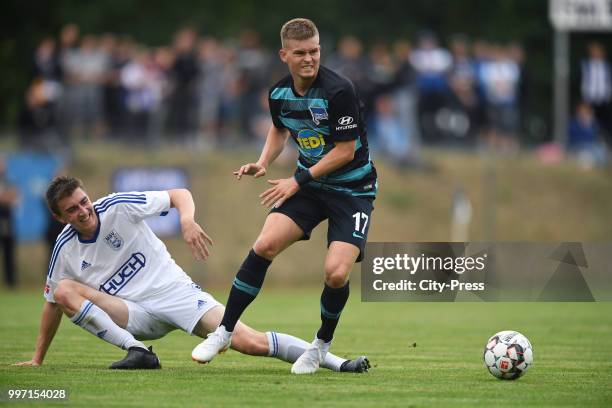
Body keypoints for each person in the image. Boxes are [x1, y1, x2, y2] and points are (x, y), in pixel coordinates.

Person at [14, 176, 369, 372]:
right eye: (72, 210)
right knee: (63, 291)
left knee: (247, 341)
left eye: (83, 201)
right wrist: (37, 359)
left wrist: (186, 220)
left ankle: (336, 363)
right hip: (131, 315)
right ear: (60, 218)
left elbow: (180, 193)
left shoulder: (117, 206)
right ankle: (138, 352)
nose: (83, 210)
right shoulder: (64, 248)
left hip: (175, 294)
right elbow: (51, 304)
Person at [192, 18, 377, 375]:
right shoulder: (278, 93)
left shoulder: (339, 90)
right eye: (301, 53)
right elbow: (280, 129)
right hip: (311, 187)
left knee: (336, 274)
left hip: (353, 190)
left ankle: (320, 347)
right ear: (284, 55)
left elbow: (345, 150)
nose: (310, 59)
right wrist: (262, 162)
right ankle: (225, 331)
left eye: (315, 51)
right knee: (264, 245)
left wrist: (296, 180)